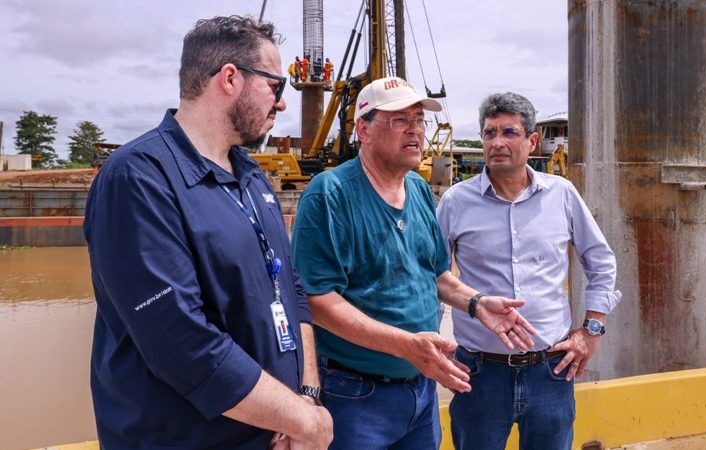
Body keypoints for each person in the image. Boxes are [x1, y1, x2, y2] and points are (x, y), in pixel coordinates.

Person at [83, 16, 332, 450]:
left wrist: (306, 399)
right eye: (276, 86)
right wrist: (303, 421)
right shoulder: (139, 178)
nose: (282, 105)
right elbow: (181, 341)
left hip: (275, 433)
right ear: (231, 78)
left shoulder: (252, 175)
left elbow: (289, 289)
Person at [291, 77, 538, 450]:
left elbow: (436, 274)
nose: (415, 131)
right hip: (355, 396)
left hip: (420, 393)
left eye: (419, 120)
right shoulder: (330, 195)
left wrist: (477, 302)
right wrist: (406, 345)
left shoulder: (420, 189)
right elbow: (317, 302)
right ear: (363, 129)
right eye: (399, 120)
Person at [436, 92, 622, 450]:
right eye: (489, 133)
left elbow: (600, 261)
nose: (497, 142)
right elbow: (433, 277)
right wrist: (435, 346)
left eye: (509, 132)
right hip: (478, 373)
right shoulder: (456, 202)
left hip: (551, 370)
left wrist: (592, 330)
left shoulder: (562, 195)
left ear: (531, 140)